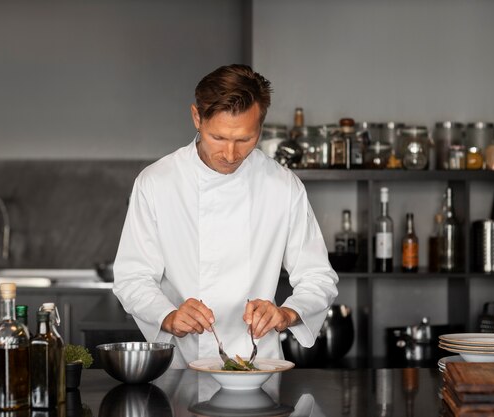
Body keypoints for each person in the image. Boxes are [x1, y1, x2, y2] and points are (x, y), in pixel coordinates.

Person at [113, 64, 338, 369]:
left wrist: (286, 314)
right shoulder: (156, 182)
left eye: (245, 139)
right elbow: (132, 277)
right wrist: (168, 316)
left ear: (260, 126)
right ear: (197, 118)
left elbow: (318, 278)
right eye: (218, 137)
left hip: (260, 365)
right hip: (179, 364)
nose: (231, 154)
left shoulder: (283, 186)